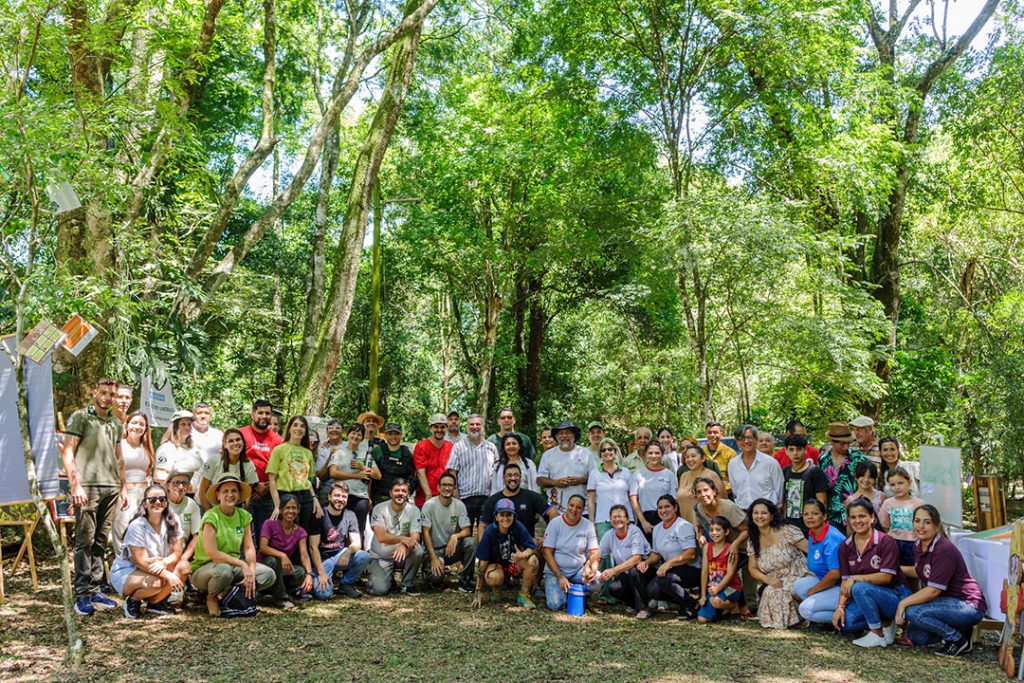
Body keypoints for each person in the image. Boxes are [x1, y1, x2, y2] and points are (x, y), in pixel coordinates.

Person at [62, 377, 126, 616]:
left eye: (112, 394)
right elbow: (68, 452)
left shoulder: (115, 423)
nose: (108, 397)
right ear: (94, 392)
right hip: (87, 487)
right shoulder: (81, 417)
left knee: (101, 540)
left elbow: (120, 459)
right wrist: (75, 485)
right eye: (104, 392)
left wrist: (124, 488)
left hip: (111, 487)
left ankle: (96, 588)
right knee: (84, 541)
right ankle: (82, 595)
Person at [896, 504, 988, 656]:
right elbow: (921, 570)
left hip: (968, 605)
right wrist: (896, 569)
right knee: (916, 636)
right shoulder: (919, 544)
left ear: (937, 525)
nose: (921, 526)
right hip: (947, 603)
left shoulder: (943, 549)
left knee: (913, 612)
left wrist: (903, 603)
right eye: (917, 521)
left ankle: (956, 639)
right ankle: (962, 629)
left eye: (927, 522)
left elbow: (933, 591)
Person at [191, 473, 275, 617]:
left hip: (233, 566)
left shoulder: (243, 515)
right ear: (218, 495)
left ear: (239, 494)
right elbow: (213, 553)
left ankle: (229, 593)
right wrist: (243, 565)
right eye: (225, 491)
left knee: (268, 575)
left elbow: (249, 547)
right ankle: (211, 597)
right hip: (206, 568)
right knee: (223, 571)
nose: (230, 495)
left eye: (234, 491)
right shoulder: (211, 516)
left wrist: (252, 570)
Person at [831, 498, 911, 647]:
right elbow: (845, 581)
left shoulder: (886, 541)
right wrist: (840, 607)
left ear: (872, 518)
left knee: (859, 587)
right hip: (868, 594)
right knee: (847, 624)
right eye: (853, 517)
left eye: (862, 516)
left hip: (895, 595)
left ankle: (877, 633)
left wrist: (856, 578)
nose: (857, 521)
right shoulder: (845, 546)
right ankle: (886, 622)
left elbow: (886, 577)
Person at [109, 484, 185, 618]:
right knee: (157, 582)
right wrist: (168, 575)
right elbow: (141, 562)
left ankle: (155, 604)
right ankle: (133, 601)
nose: (157, 502)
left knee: (184, 567)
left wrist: (164, 562)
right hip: (129, 570)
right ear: (145, 504)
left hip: (156, 567)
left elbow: (177, 553)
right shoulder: (137, 526)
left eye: (162, 499)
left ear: (166, 503)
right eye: (152, 500)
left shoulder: (173, 520)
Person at [745, 498, 811, 629]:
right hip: (776, 580)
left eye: (763, 513)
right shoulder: (753, 539)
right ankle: (785, 621)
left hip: (800, 575)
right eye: (755, 513)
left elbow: (812, 552)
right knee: (770, 590)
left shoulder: (787, 531)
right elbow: (752, 568)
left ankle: (795, 620)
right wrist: (767, 579)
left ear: (772, 515)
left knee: (777, 592)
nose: (759, 516)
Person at [639, 495, 700, 620]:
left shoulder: (683, 526)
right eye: (660, 508)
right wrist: (647, 562)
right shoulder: (657, 529)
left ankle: (690, 605)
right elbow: (657, 554)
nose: (663, 510)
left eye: (667, 506)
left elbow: (690, 553)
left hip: (691, 569)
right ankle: (683, 602)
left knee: (665, 579)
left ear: (675, 507)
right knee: (652, 590)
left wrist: (669, 564)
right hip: (672, 569)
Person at [472, 498, 540, 609]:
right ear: (496, 517)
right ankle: (496, 589)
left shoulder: (518, 527)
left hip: (514, 563)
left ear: (513, 516)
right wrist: (478, 590)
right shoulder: (489, 531)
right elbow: (482, 563)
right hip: (496, 566)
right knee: (494, 577)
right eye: (502, 515)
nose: (505, 518)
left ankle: (523, 595)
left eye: (509, 515)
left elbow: (531, 547)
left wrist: (524, 554)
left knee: (533, 561)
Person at [309, 482, 371, 600]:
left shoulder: (350, 515)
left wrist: (347, 552)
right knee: (324, 595)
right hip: (323, 559)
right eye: (337, 496)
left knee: (364, 556)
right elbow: (313, 547)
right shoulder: (319, 514)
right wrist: (321, 573)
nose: (340, 499)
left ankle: (346, 584)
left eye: (344, 497)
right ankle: (320, 578)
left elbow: (357, 542)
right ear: (329, 497)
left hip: (340, 555)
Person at [541, 494, 601, 610]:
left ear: (583, 510)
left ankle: (575, 590)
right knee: (556, 605)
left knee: (598, 580)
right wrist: (560, 576)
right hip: (555, 572)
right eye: (571, 505)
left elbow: (594, 553)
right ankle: (570, 591)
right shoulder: (555, 523)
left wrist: (590, 569)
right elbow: (547, 553)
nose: (574, 510)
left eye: (578, 507)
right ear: (566, 506)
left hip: (577, 571)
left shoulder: (588, 525)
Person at [421, 472, 477, 592]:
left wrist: (456, 536)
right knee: (436, 578)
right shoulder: (429, 505)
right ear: (438, 487)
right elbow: (425, 533)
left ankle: (464, 580)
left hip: (450, 550)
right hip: (434, 550)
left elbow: (467, 530)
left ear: (455, 488)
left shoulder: (459, 505)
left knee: (471, 542)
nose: (447, 488)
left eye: (450, 485)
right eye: (444, 485)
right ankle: (428, 573)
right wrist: (433, 558)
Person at [792, 499, 845, 626]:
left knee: (805, 609)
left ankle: (845, 616)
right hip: (825, 579)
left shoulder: (831, 538)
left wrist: (814, 590)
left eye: (815, 514)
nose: (809, 517)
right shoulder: (813, 533)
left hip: (842, 586)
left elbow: (835, 574)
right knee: (798, 586)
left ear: (824, 516)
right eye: (806, 514)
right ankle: (823, 608)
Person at [267, 416, 323, 535]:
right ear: (289, 429)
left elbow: (307, 480)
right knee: (286, 536)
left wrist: (314, 498)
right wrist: (278, 506)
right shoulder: (279, 449)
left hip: (306, 499)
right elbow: (272, 480)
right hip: (286, 498)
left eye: (302, 426)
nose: (299, 428)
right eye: (295, 425)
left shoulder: (307, 452)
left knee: (302, 535)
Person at [367, 479, 424, 596]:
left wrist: (404, 545)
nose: (400, 493)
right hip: (381, 556)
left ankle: (407, 584)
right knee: (379, 591)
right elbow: (381, 537)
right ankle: (385, 578)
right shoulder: (379, 508)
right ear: (390, 493)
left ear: (408, 494)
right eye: (397, 490)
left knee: (418, 550)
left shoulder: (413, 510)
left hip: (401, 555)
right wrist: (403, 539)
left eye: (404, 491)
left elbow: (415, 536)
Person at [327, 423, 379, 547]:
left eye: (359, 434)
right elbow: (333, 473)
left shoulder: (366, 454)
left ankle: (355, 559)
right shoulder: (340, 452)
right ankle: (337, 555)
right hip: (342, 496)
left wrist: (364, 467)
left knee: (358, 530)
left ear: (362, 438)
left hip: (360, 497)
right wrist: (357, 476)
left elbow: (378, 475)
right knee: (338, 529)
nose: (355, 436)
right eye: (353, 433)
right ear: (348, 434)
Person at [111, 411, 155, 557]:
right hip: (125, 494)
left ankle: (141, 566)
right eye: (134, 423)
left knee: (144, 532)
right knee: (122, 531)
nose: (137, 427)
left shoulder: (147, 447)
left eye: (141, 424)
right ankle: (121, 567)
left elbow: (148, 472)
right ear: (126, 425)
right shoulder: (119, 445)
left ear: (146, 428)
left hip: (144, 494)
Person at [258, 494, 314, 608]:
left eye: (294, 508)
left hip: (282, 571)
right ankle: (281, 598)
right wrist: (282, 555)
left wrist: (309, 574)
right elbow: (263, 547)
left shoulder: (300, 532)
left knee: (300, 572)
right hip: (265, 567)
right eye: (287, 508)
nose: (291, 511)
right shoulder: (269, 524)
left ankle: (271, 594)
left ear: (298, 510)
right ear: (281, 510)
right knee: (273, 561)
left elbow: (304, 555)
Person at [240, 399, 283, 542]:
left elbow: (281, 468)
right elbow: (235, 461)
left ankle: (262, 562)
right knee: (241, 533)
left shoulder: (277, 440)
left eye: (267, 413)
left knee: (265, 535)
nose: (264, 416)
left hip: (268, 494)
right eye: (260, 412)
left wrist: (265, 487)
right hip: (244, 492)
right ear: (253, 414)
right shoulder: (242, 434)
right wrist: (253, 485)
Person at [598, 504, 651, 618]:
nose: (617, 519)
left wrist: (613, 571)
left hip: (645, 569)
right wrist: (590, 569)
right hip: (625, 571)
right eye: (614, 517)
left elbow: (637, 559)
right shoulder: (609, 535)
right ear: (610, 520)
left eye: (621, 516)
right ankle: (633, 605)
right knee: (614, 588)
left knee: (634, 572)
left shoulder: (635, 531)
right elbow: (599, 556)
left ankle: (644, 608)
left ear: (627, 519)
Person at [479, 463, 557, 540]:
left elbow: (553, 513)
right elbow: (482, 526)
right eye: (509, 475)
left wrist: (547, 538)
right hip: (499, 544)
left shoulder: (531, 496)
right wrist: (483, 548)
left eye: (516, 475)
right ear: (503, 478)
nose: (513, 478)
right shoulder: (493, 500)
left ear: (520, 478)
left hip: (527, 545)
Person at [447, 414, 499, 526]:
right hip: (465, 499)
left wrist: (494, 498)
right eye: (472, 424)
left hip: (487, 498)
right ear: (467, 426)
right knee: (464, 534)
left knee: (486, 535)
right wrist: (457, 498)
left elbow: (497, 474)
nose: (475, 427)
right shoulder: (458, 447)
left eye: (478, 424)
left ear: (483, 426)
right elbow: (452, 474)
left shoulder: (491, 447)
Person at [537, 420, 593, 514]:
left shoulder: (585, 453)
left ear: (574, 435)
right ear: (556, 436)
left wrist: (581, 480)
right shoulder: (548, 455)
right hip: (557, 509)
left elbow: (596, 477)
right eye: (561, 433)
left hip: (582, 509)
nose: (564, 436)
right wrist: (556, 482)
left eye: (568, 433)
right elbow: (540, 480)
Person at [198, 428, 259, 510]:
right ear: (224, 445)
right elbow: (202, 491)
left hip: (232, 508)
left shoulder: (248, 465)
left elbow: (247, 495)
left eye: (238, 440)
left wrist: (244, 515)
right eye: (231, 441)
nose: (235, 443)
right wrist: (210, 514)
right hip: (207, 505)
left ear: (243, 442)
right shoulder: (214, 461)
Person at [697, 516, 743, 623]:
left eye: (718, 530)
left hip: (731, 587)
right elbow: (704, 571)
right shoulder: (707, 547)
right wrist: (703, 595)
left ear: (726, 532)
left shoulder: (730, 548)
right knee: (702, 619)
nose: (714, 533)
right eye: (711, 530)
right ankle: (720, 610)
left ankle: (733, 606)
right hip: (713, 588)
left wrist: (717, 589)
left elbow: (730, 573)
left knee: (716, 600)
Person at [728, 425, 784, 512]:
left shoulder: (770, 462)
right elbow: (735, 491)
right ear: (737, 442)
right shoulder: (733, 464)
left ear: (756, 439)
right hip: (742, 513)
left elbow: (780, 490)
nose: (746, 441)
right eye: (741, 438)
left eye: (749, 437)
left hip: (767, 512)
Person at [165, 470, 202, 599]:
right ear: (167, 485)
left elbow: (197, 535)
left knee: (176, 602)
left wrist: (184, 557)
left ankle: (179, 588)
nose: (180, 487)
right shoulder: (159, 503)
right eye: (176, 483)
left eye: (184, 483)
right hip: (161, 553)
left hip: (182, 552)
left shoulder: (191, 505)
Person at [878, 466, 926, 567]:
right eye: (892, 484)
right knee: (894, 570)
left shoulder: (919, 503)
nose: (897, 487)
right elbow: (884, 524)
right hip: (893, 543)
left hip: (914, 543)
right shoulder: (888, 503)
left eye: (900, 483)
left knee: (914, 570)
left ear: (909, 482)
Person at [780, 434, 828, 533]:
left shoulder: (814, 471)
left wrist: (820, 525)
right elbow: (785, 499)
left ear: (805, 450)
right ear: (786, 451)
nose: (795, 453)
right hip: (790, 526)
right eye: (791, 449)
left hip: (810, 526)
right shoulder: (785, 471)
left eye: (799, 449)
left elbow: (822, 501)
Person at [629, 441, 677, 540]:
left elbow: (674, 501)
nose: (654, 456)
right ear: (645, 454)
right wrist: (643, 522)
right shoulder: (638, 474)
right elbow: (634, 500)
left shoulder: (669, 475)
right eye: (650, 453)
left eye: (657, 453)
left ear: (662, 454)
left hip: (665, 517)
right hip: (645, 519)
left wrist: (668, 522)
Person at [587, 438, 633, 540]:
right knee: (605, 553)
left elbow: (632, 498)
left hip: (625, 518)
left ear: (615, 451)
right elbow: (591, 500)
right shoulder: (594, 474)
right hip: (603, 520)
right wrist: (592, 522)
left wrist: (636, 519)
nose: (607, 452)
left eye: (610, 449)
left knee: (628, 551)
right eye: (603, 450)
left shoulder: (626, 472)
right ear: (600, 454)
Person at [820, 421, 865, 526]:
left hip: (855, 516)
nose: (846, 447)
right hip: (831, 517)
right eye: (842, 443)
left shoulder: (859, 459)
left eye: (848, 443)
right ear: (832, 441)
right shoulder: (823, 460)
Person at [692, 478, 748, 549]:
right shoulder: (698, 509)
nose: (703, 494)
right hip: (721, 550)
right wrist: (701, 536)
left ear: (714, 491)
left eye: (706, 490)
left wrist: (735, 545)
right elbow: (699, 527)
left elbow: (747, 530)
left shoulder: (728, 507)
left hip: (743, 549)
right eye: (699, 492)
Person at [676, 445, 724, 525]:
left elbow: (722, 502)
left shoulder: (711, 475)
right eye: (687, 457)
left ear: (703, 458)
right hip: (686, 526)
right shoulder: (684, 476)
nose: (690, 459)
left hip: (707, 527)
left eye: (693, 456)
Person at [371, 422, 416, 506]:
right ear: (385, 435)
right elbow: (370, 474)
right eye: (390, 434)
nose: (393, 437)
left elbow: (413, 475)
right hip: (380, 498)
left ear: (401, 435)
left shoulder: (407, 453)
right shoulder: (377, 451)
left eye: (396, 434)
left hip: (401, 499)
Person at [154, 410, 203, 487]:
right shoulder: (167, 448)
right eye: (183, 424)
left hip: (194, 495)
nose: (187, 427)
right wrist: (183, 486)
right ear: (175, 426)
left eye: (189, 424)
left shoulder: (195, 449)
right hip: (174, 494)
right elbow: (159, 476)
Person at [413, 413, 454, 507]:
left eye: (442, 427)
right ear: (430, 428)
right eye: (436, 427)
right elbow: (420, 473)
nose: (439, 430)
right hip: (425, 498)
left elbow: (452, 473)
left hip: (446, 497)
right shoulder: (421, 446)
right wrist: (428, 495)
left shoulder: (451, 447)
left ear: (447, 428)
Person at [314, 419, 347, 506]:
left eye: (338, 428)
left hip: (346, 489)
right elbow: (321, 476)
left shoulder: (348, 446)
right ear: (326, 431)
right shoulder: (322, 448)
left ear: (342, 431)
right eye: (330, 427)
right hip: (326, 489)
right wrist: (330, 457)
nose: (334, 430)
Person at [703, 421, 736, 489]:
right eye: (709, 432)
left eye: (715, 432)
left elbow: (734, 478)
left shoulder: (730, 453)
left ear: (721, 434)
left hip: (725, 492)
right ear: (706, 435)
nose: (712, 435)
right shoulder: (700, 452)